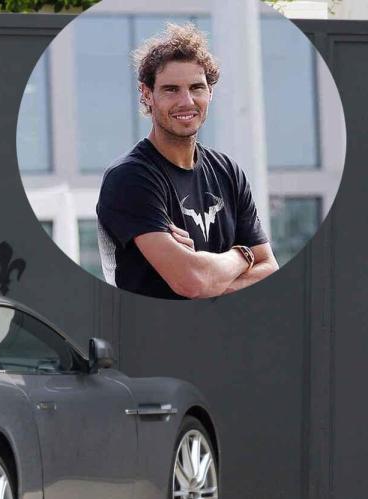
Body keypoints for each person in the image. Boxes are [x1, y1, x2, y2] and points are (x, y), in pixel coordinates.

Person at [96, 23, 279, 300]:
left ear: (210, 93)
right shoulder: (130, 177)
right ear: (147, 94)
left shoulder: (228, 172)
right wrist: (242, 254)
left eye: (196, 87)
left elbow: (268, 267)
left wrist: (212, 282)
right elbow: (191, 283)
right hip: (151, 338)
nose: (187, 101)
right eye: (171, 89)